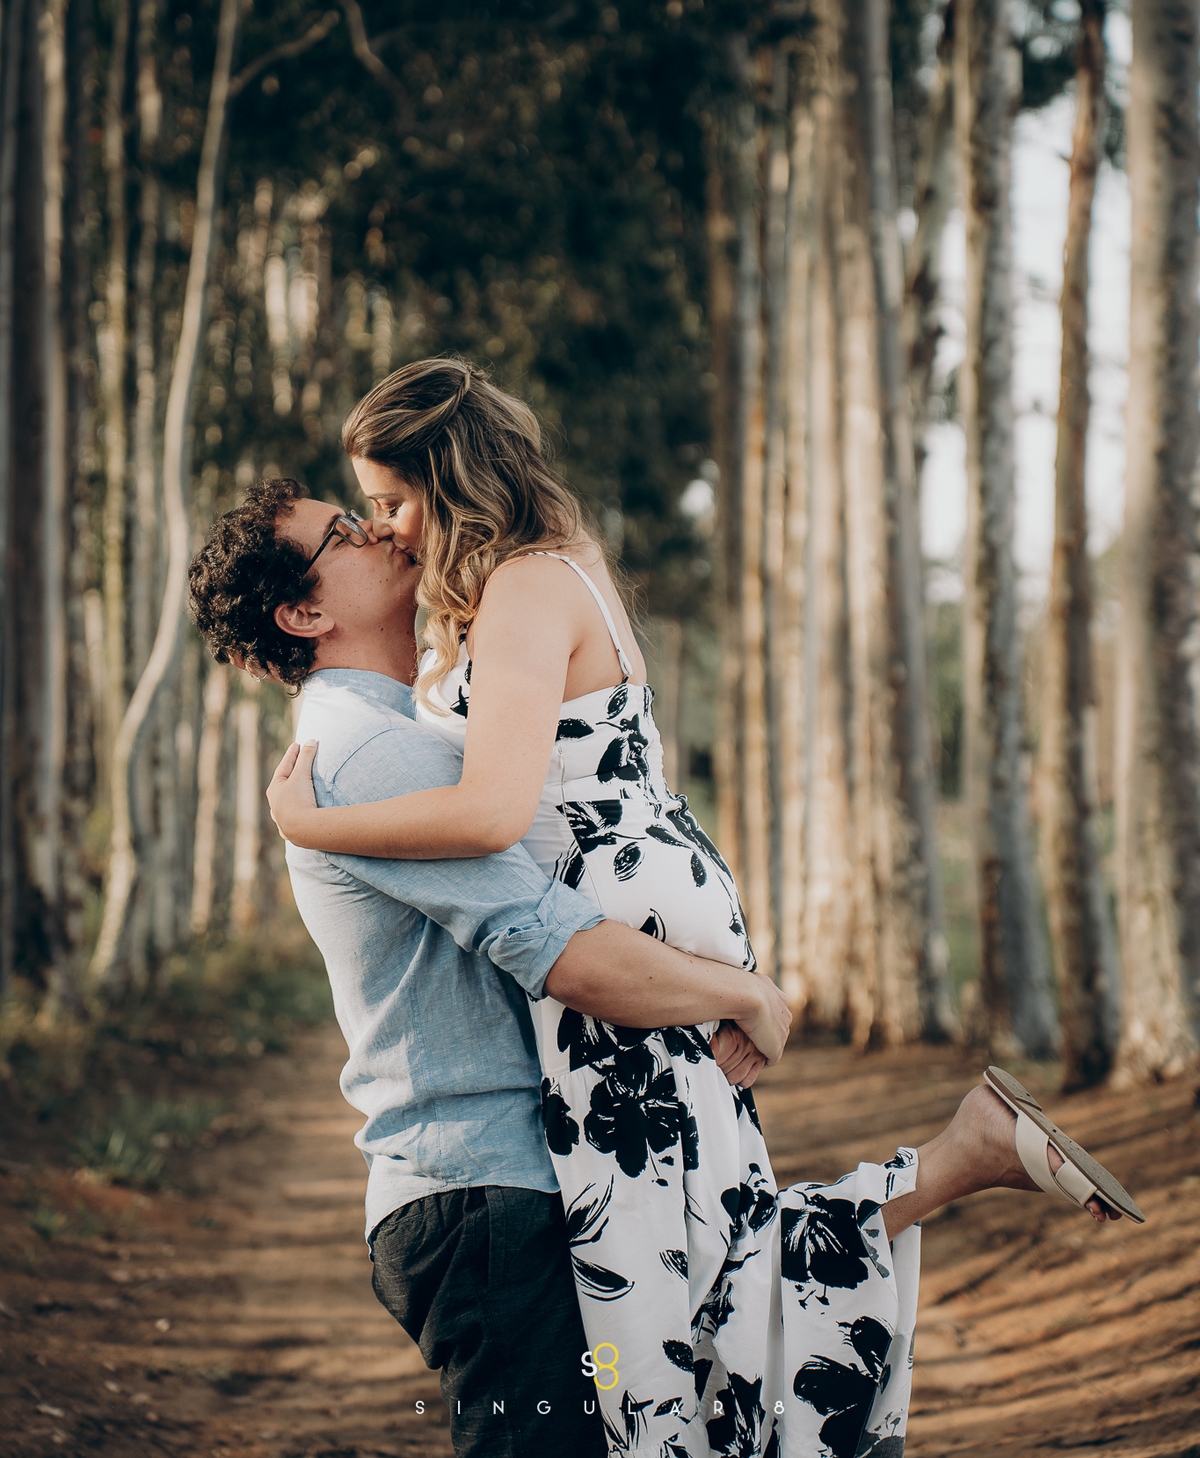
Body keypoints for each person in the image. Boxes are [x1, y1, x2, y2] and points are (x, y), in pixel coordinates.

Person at [266, 359, 1144, 1458]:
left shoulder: (525, 588)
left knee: (654, 1290)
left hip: (613, 912)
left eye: (391, 504)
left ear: (451, 482)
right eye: (367, 517)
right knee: (708, 1252)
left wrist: (316, 828)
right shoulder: (541, 574)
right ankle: (961, 1157)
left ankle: (953, 1166)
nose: (388, 532)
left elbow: (491, 809)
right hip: (648, 891)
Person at [187, 476, 792, 1458]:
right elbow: (561, 951)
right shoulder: (370, 755)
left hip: (488, 1197)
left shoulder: (392, 734)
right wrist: (742, 992)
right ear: (306, 612)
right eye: (344, 531)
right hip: (483, 1210)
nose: (379, 527)